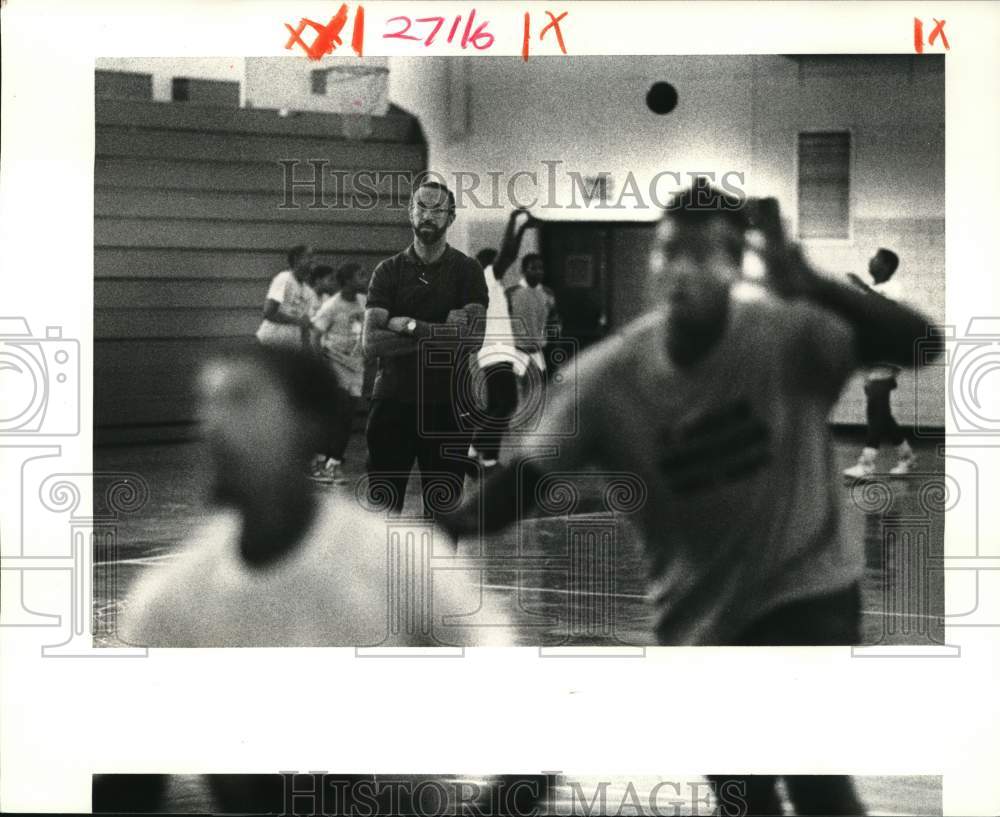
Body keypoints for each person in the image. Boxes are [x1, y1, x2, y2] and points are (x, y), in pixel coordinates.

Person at [440, 180, 941, 815]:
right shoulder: (609, 377)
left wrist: (810, 281)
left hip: (807, 588)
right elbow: (524, 483)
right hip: (698, 615)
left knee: (816, 778)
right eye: (669, 250)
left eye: (704, 255)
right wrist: (452, 524)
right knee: (742, 793)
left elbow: (922, 343)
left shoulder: (784, 333)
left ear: (734, 268)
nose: (682, 268)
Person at [118, 345, 508, 647]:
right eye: (209, 405)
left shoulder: (406, 563)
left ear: (311, 425)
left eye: (243, 401)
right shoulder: (168, 603)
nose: (214, 425)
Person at [362, 179, 488, 518]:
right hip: (392, 405)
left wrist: (409, 325)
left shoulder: (467, 271)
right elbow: (371, 342)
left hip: (448, 408)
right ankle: (381, 574)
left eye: (437, 209)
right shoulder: (388, 271)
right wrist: (443, 331)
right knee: (382, 515)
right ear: (409, 213)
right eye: (421, 207)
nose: (428, 215)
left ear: (451, 217)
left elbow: (473, 339)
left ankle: (439, 575)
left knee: (444, 517)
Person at [468, 209, 537, 470]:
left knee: (497, 406)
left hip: (494, 353)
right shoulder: (488, 278)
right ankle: (475, 450)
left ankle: (487, 459)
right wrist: (515, 223)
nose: (504, 266)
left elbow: (507, 253)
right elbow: (509, 252)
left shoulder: (486, 285)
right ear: (490, 265)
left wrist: (521, 227)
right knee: (505, 404)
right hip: (496, 352)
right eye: (498, 263)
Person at [842, 248, 917, 478]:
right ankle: (907, 456)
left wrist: (861, 288)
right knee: (880, 410)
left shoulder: (894, 287)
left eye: (874, 259)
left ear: (885, 266)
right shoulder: (872, 291)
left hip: (888, 356)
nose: (870, 262)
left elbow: (886, 309)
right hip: (873, 358)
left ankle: (867, 464)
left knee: (875, 407)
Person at [310, 262, 369, 484]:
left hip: (356, 365)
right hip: (334, 363)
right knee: (339, 412)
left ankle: (330, 461)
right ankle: (326, 462)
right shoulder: (332, 306)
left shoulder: (363, 302)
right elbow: (315, 334)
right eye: (361, 275)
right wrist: (320, 364)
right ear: (347, 281)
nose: (365, 279)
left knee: (348, 417)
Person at [507, 252, 558, 388]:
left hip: (539, 352)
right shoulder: (511, 294)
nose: (538, 272)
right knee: (517, 394)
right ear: (523, 271)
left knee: (539, 393)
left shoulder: (547, 294)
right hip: (516, 352)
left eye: (540, 268)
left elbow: (553, 322)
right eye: (533, 268)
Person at [255, 244, 319, 350]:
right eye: (309, 257)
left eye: (313, 257)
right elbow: (269, 312)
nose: (313, 260)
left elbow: (305, 323)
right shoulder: (284, 279)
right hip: (271, 344)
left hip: (292, 349)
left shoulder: (308, 291)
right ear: (296, 259)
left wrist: (306, 347)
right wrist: (297, 321)